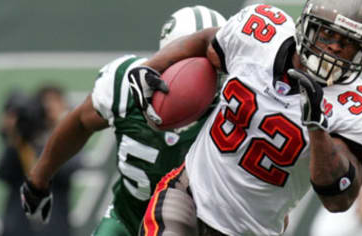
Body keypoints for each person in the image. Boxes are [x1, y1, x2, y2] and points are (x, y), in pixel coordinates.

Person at [133, 0, 362, 235]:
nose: (335, 49)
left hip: (253, 230)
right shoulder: (259, 36)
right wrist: (151, 66)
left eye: (348, 43)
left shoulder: (359, 110)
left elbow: (338, 199)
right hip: (189, 194)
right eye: (328, 34)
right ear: (307, 27)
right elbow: (207, 41)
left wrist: (317, 126)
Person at [19, 6, 226, 236]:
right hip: (126, 222)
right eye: (188, 61)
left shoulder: (233, 109)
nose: (199, 76)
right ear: (168, 55)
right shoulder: (125, 85)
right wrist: (39, 179)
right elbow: (79, 122)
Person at [0, 86, 80, 236]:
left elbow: (67, 170)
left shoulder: (69, 142)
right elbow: (2, 172)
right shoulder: (22, 143)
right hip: (17, 227)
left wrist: (60, 128)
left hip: (55, 227)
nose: (47, 112)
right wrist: (15, 137)